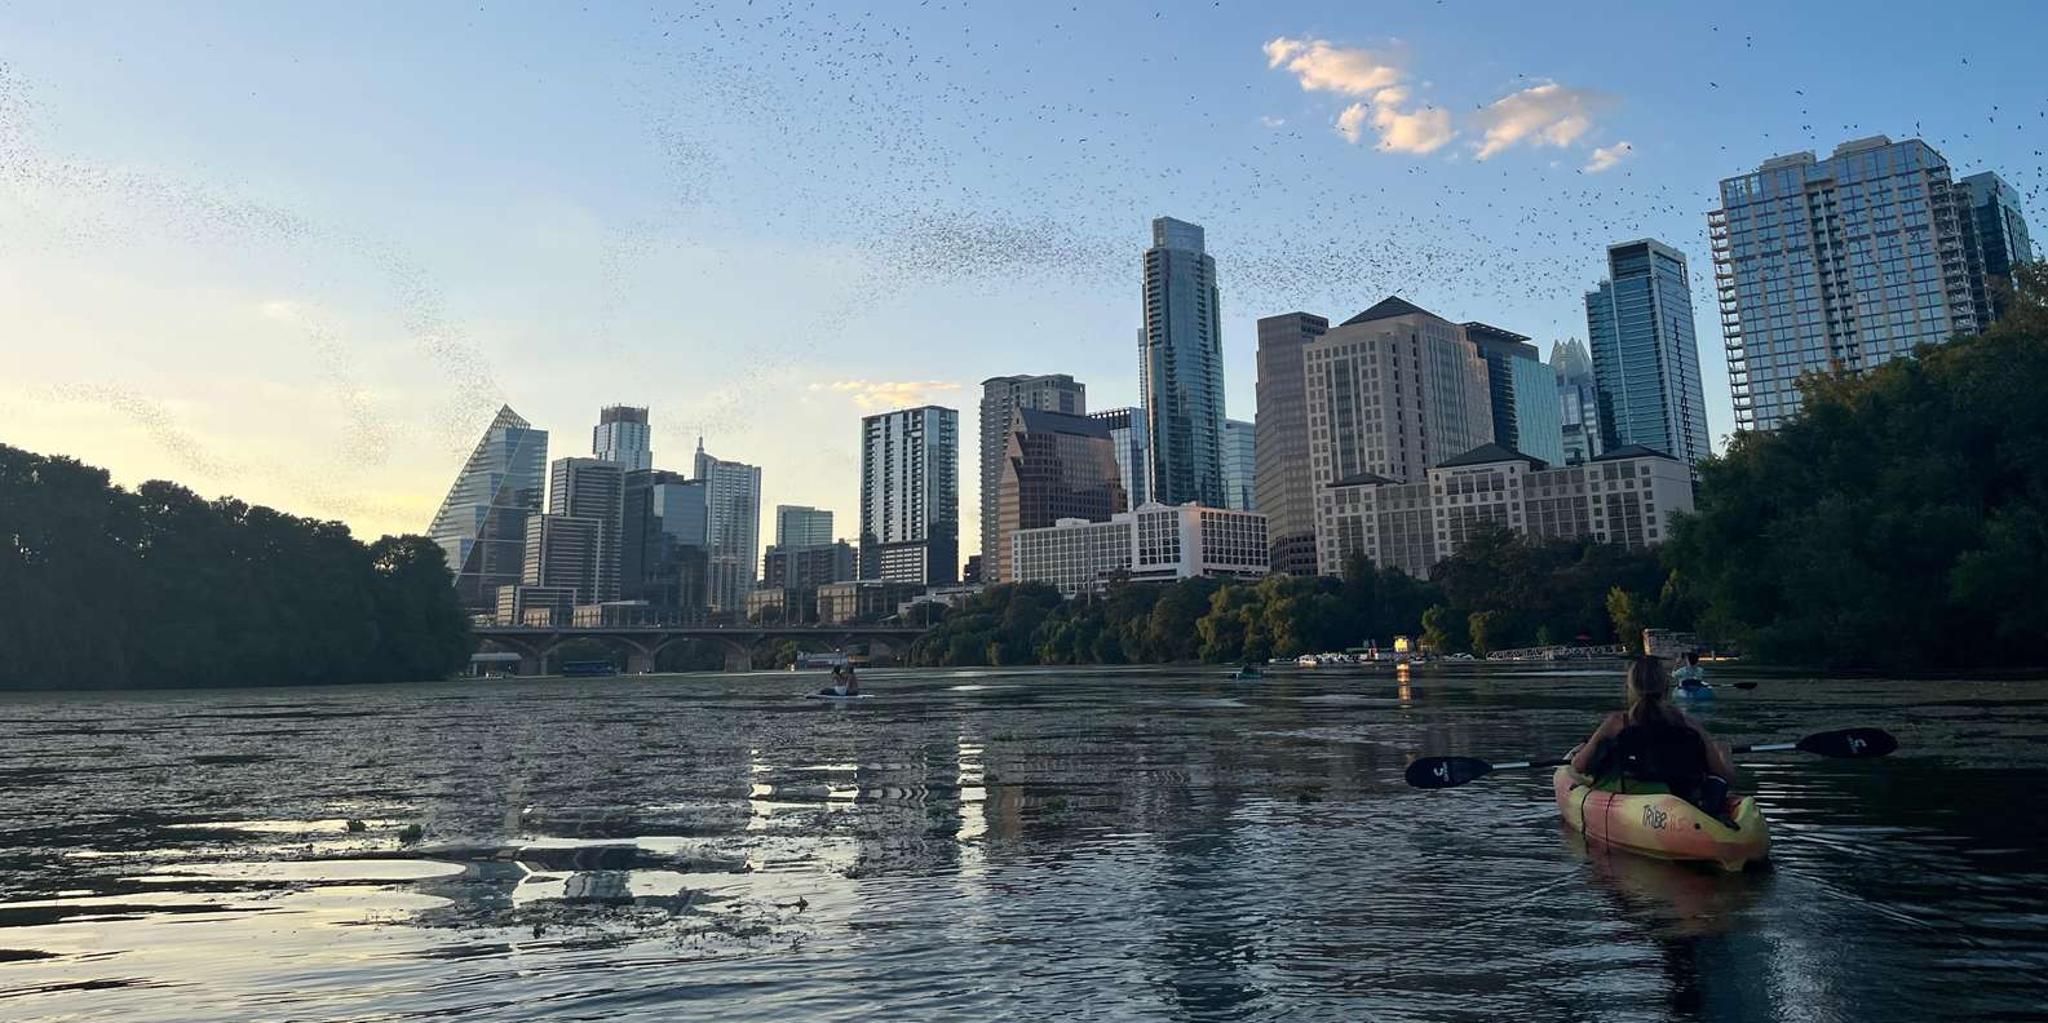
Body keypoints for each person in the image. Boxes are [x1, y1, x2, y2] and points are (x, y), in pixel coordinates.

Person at [1569, 655, 1739, 818]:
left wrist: (1587, 748)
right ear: (1665, 687)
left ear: (1630, 687)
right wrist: (1723, 753)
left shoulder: (1616, 723)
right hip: (1683, 805)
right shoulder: (1687, 724)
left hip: (1634, 808)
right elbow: (1724, 777)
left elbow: (1579, 766)